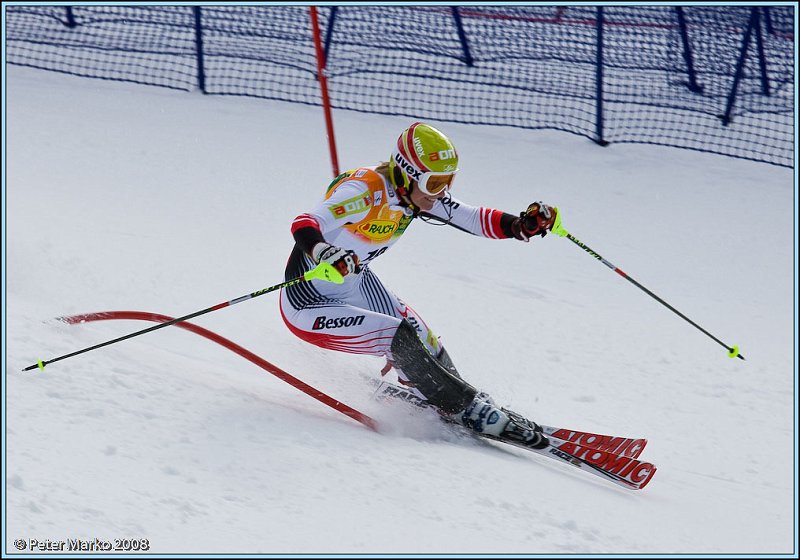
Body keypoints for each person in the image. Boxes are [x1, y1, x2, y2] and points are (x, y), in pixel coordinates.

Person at [280, 122, 556, 448]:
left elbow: (470, 216)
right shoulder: (364, 191)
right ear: (408, 173)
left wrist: (518, 226)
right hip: (308, 303)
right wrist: (324, 251)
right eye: (435, 182)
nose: (441, 192)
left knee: (426, 340)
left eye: (447, 182)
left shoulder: (418, 195)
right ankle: (463, 406)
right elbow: (305, 223)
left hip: (356, 285)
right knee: (396, 337)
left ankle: (459, 396)